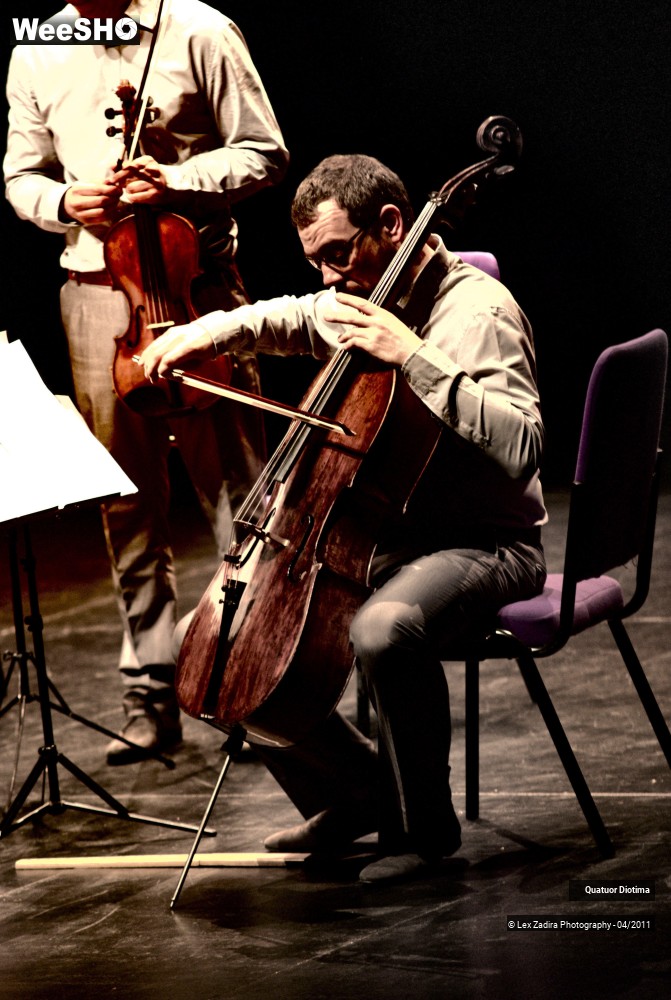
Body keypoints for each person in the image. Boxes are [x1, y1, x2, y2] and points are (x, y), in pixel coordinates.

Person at [140, 153, 548, 883]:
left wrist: (415, 356)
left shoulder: (475, 312)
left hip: (484, 540)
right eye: (315, 259)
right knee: (213, 640)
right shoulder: (364, 290)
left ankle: (422, 832)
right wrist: (210, 332)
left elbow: (520, 446)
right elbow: (298, 315)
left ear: (391, 226)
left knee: (382, 631)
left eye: (337, 253)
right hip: (385, 535)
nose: (329, 275)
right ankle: (357, 792)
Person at [3, 0, 289, 763]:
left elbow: (264, 152)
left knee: (237, 494)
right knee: (125, 503)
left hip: (198, 291)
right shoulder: (39, 48)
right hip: (99, 296)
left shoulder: (199, 27)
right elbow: (19, 176)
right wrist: (63, 201)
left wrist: (178, 181)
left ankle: (249, 686)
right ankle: (151, 694)